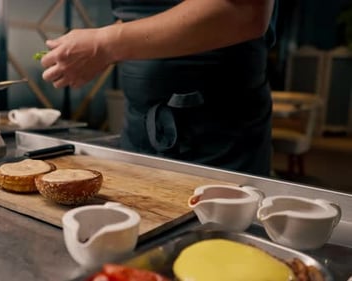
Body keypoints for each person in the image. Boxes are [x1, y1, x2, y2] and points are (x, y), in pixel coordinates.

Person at [41, 0, 277, 177]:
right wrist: (98, 51)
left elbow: (246, 11)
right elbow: (143, 13)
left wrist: (104, 44)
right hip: (138, 132)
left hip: (222, 138)